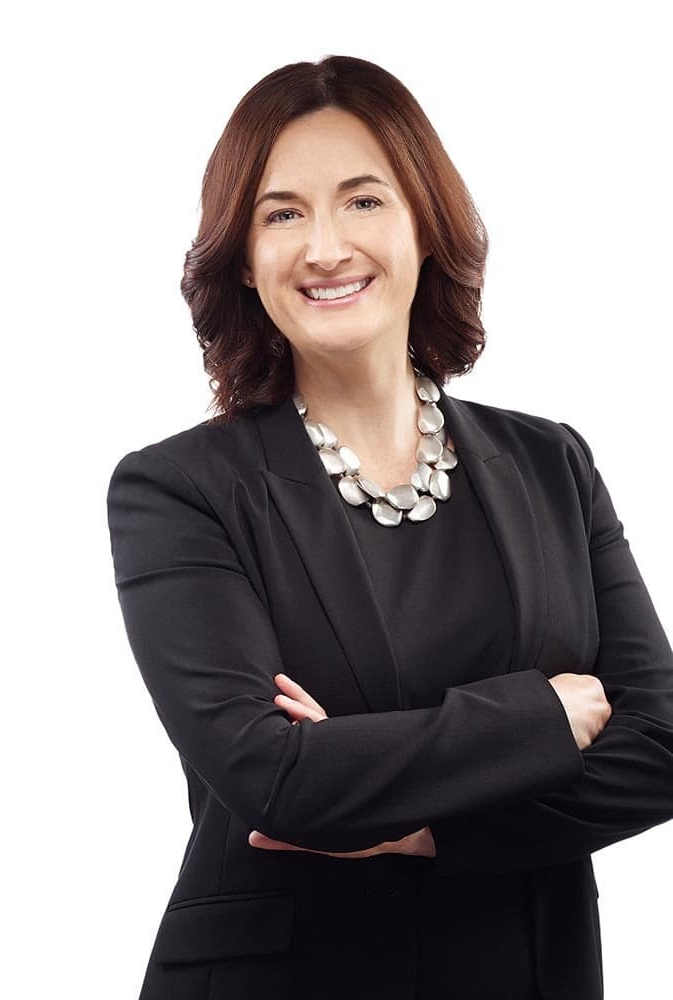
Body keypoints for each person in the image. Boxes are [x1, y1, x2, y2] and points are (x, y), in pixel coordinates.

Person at [106, 55, 673, 1000]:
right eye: (282, 215)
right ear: (243, 258)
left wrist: (424, 827)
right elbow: (274, 779)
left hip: (526, 966)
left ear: (424, 224)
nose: (325, 247)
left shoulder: (552, 464)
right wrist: (543, 717)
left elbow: (661, 745)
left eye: (363, 201)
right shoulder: (178, 490)